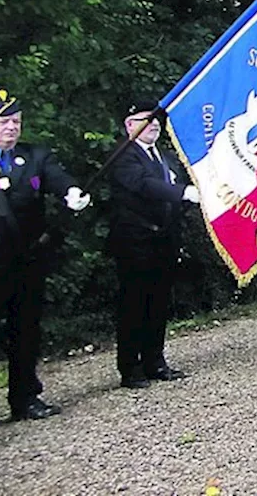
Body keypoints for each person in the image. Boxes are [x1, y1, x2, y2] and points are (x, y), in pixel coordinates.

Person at [0, 90, 91, 420]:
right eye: (4, 121)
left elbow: (56, 177)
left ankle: (25, 399)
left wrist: (71, 191)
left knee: (26, 331)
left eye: (17, 121)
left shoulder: (34, 156)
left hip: (26, 260)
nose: (12, 127)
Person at [106, 101, 199, 389]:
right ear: (129, 125)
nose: (154, 124)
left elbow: (176, 184)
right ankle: (131, 368)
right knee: (135, 304)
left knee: (159, 303)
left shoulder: (166, 157)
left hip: (164, 239)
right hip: (136, 240)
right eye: (145, 120)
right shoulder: (124, 156)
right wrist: (182, 193)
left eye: (156, 119)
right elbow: (144, 185)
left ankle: (155, 361)